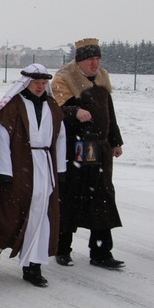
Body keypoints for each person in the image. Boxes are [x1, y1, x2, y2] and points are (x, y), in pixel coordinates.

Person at [0, 64, 66, 287]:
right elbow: (0, 136)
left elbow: (61, 137)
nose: (40, 87)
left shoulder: (53, 108)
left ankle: (32, 266)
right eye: (36, 82)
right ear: (26, 83)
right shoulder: (13, 107)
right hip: (19, 165)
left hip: (44, 165)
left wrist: (60, 170)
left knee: (42, 215)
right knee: (13, 214)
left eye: (44, 83)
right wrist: (3, 170)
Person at [51, 38, 125, 269]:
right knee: (72, 197)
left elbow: (109, 113)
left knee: (102, 198)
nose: (95, 63)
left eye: (97, 58)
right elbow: (58, 110)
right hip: (76, 148)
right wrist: (75, 111)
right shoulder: (64, 80)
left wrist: (115, 141)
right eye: (90, 59)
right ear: (80, 61)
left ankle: (101, 252)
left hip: (100, 149)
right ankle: (62, 249)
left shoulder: (102, 77)